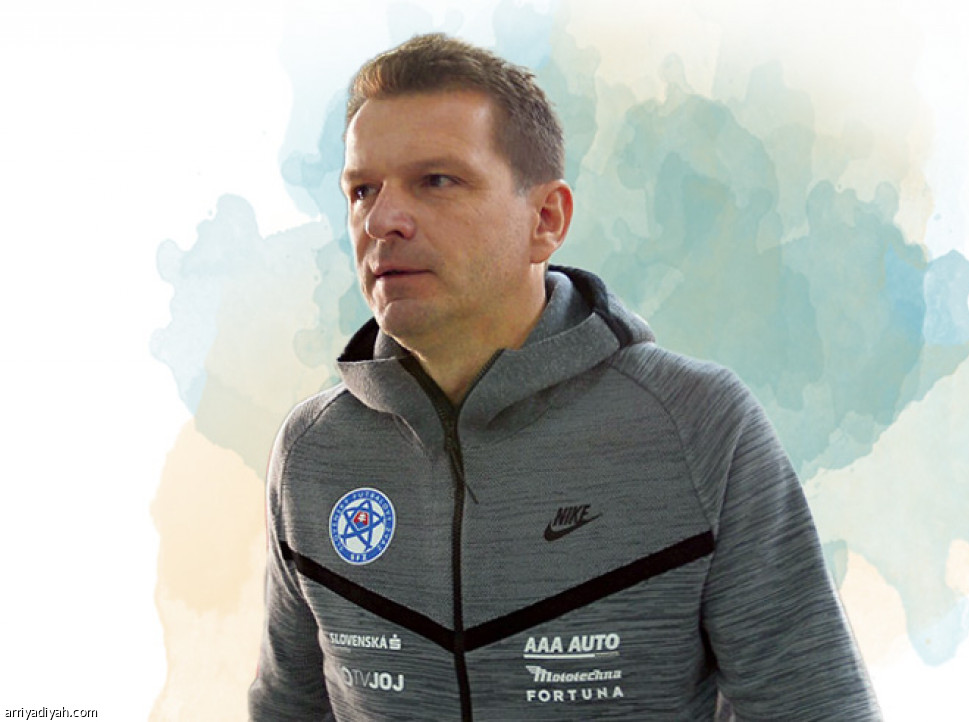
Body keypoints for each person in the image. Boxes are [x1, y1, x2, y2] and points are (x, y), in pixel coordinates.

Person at [248, 33, 881, 721]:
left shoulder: (696, 425)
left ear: (546, 220)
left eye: (436, 181)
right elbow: (287, 710)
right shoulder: (313, 451)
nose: (381, 220)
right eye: (362, 190)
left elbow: (817, 708)